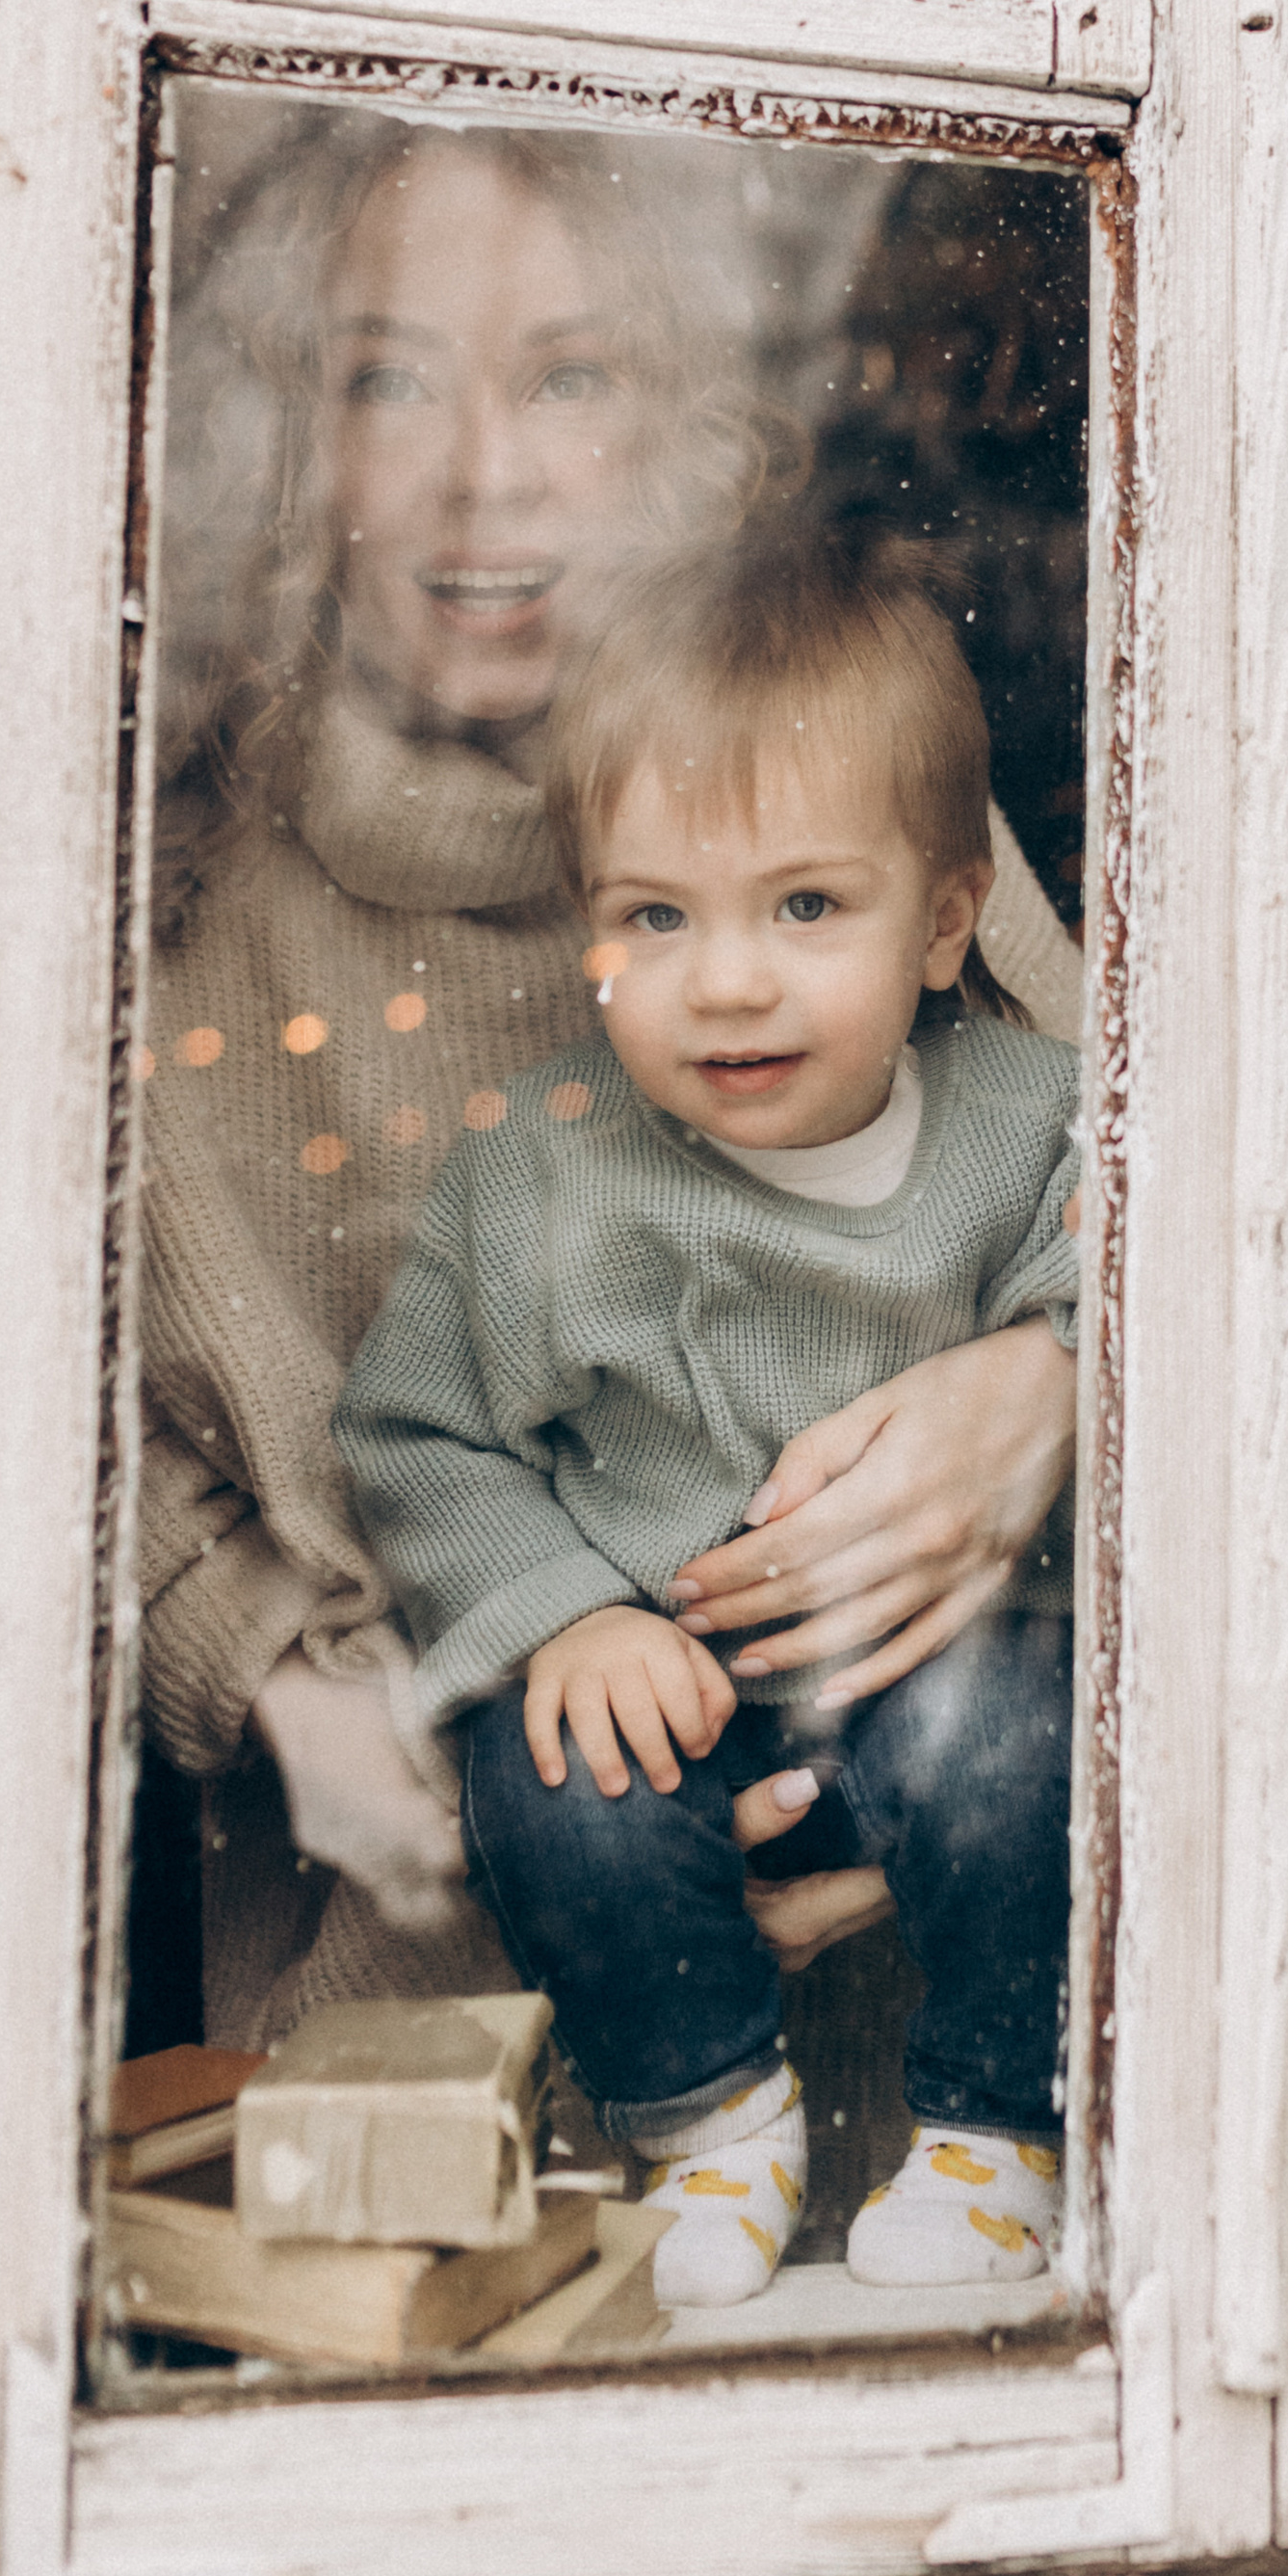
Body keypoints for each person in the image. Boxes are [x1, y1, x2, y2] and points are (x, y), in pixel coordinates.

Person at [140, 110, 1085, 2049]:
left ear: (677, 436)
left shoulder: (855, 800)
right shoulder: (161, 883)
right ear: (291, 439)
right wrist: (306, 1704)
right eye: (390, 379)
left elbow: (1166, 1203)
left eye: (567, 376)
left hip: (932, 2002)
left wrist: (1048, 1392)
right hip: (397, 2002)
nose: (485, 480)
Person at [335, 536, 1077, 2305]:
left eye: (806, 908)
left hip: (933, 1647)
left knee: (1029, 1747)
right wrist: (565, 1613)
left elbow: (1169, 1260)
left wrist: (1062, 1344)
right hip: (662, 1671)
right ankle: (709, 2125)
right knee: (555, 1780)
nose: (726, 981)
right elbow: (418, 1439)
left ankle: (995, 2133)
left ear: (947, 921)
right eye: (657, 916)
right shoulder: (537, 1189)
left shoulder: (1033, 1117)